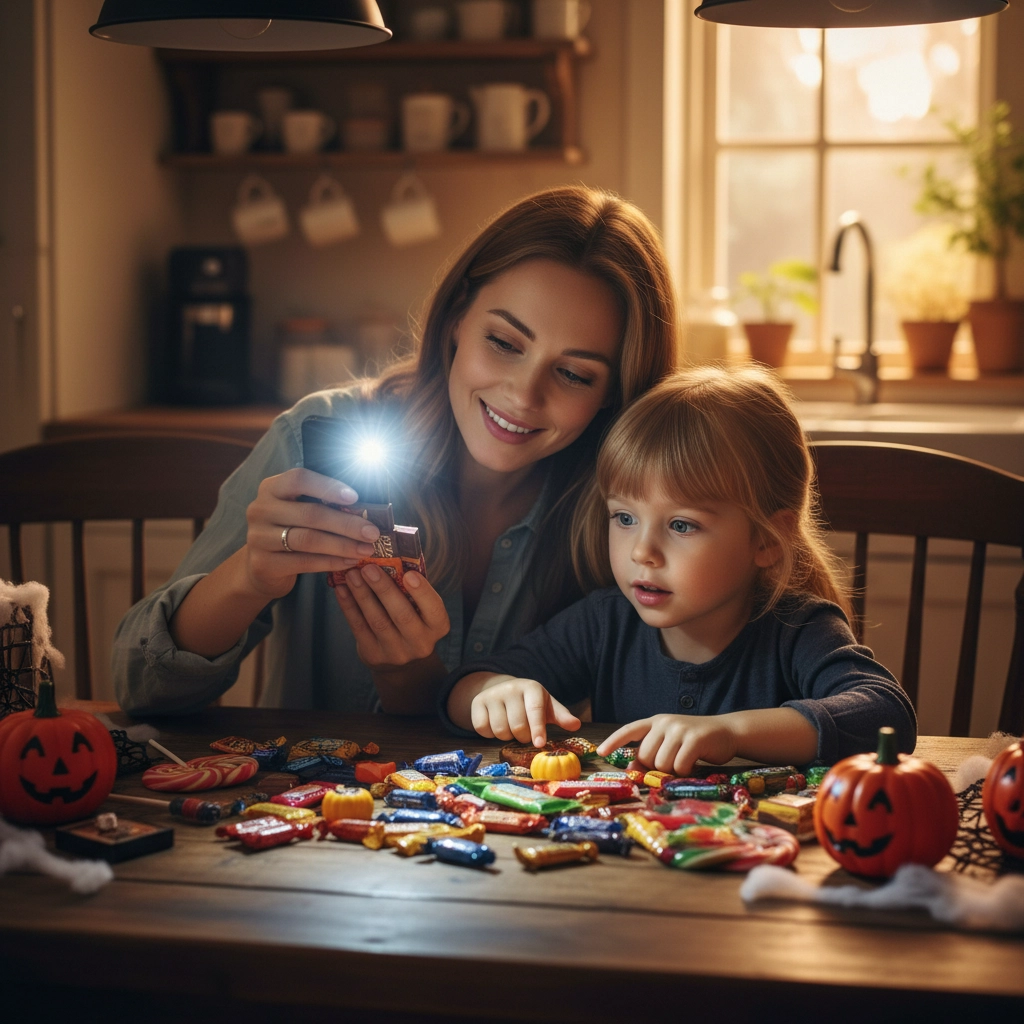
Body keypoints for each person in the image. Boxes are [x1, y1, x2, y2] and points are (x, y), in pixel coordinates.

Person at [112, 185, 677, 716]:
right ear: (457, 317)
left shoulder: (633, 512)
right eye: (504, 343)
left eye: (575, 374)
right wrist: (248, 578)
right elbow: (141, 689)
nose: (524, 396)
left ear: (615, 394)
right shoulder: (319, 436)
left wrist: (411, 680)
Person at [441, 365, 917, 771]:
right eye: (625, 518)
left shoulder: (798, 630)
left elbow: (885, 714)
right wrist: (494, 691)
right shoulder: (606, 623)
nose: (641, 552)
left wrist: (729, 733)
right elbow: (465, 686)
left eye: (682, 525)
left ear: (766, 542)